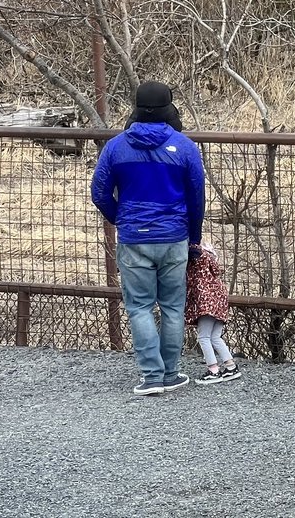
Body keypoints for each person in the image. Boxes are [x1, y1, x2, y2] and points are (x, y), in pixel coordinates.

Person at [90, 80, 206, 396]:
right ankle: (170, 373)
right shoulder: (184, 146)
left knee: (139, 307)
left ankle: (151, 377)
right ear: (169, 108)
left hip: (133, 237)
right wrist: (192, 237)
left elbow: (99, 192)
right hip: (173, 237)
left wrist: (121, 219)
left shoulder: (116, 146)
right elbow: (196, 197)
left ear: (136, 108)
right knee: (172, 306)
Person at [186, 244, 241, 384]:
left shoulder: (194, 263)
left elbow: (189, 284)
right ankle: (230, 366)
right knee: (215, 336)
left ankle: (213, 370)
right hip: (220, 300)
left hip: (206, 303)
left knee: (204, 336)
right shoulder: (211, 264)